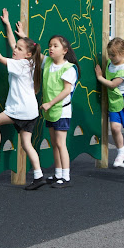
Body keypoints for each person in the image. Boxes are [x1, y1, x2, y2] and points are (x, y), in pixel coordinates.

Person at [0, 9, 45, 190]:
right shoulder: (32, 63)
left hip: (20, 110)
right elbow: (11, 44)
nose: (15, 50)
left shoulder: (20, 64)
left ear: (28, 54)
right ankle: (39, 176)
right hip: (31, 112)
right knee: (26, 144)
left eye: (19, 49)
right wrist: (7, 24)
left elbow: (0, 57)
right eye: (16, 47)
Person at [95, 38, 124, 168]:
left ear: (122, 53)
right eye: (109, 54)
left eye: (113, 55)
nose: (110, 57)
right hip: (115, 100)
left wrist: (99, 77)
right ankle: (121, 152)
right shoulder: (111, 62)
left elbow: (112, 84)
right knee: (115, 127)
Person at [41, 35, 80, 188]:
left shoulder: (68, 68)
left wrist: (49, 103)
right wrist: (22, 34)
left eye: (55, 46)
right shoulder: (48, 62)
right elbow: (35, 51)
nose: (51, 48)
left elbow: (66, 90)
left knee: (60, 143)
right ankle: (58, 173)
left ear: (64, 50)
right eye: (50, 45)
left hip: (61, 110)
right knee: (54, 143)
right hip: (51, 111)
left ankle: (66, 176)